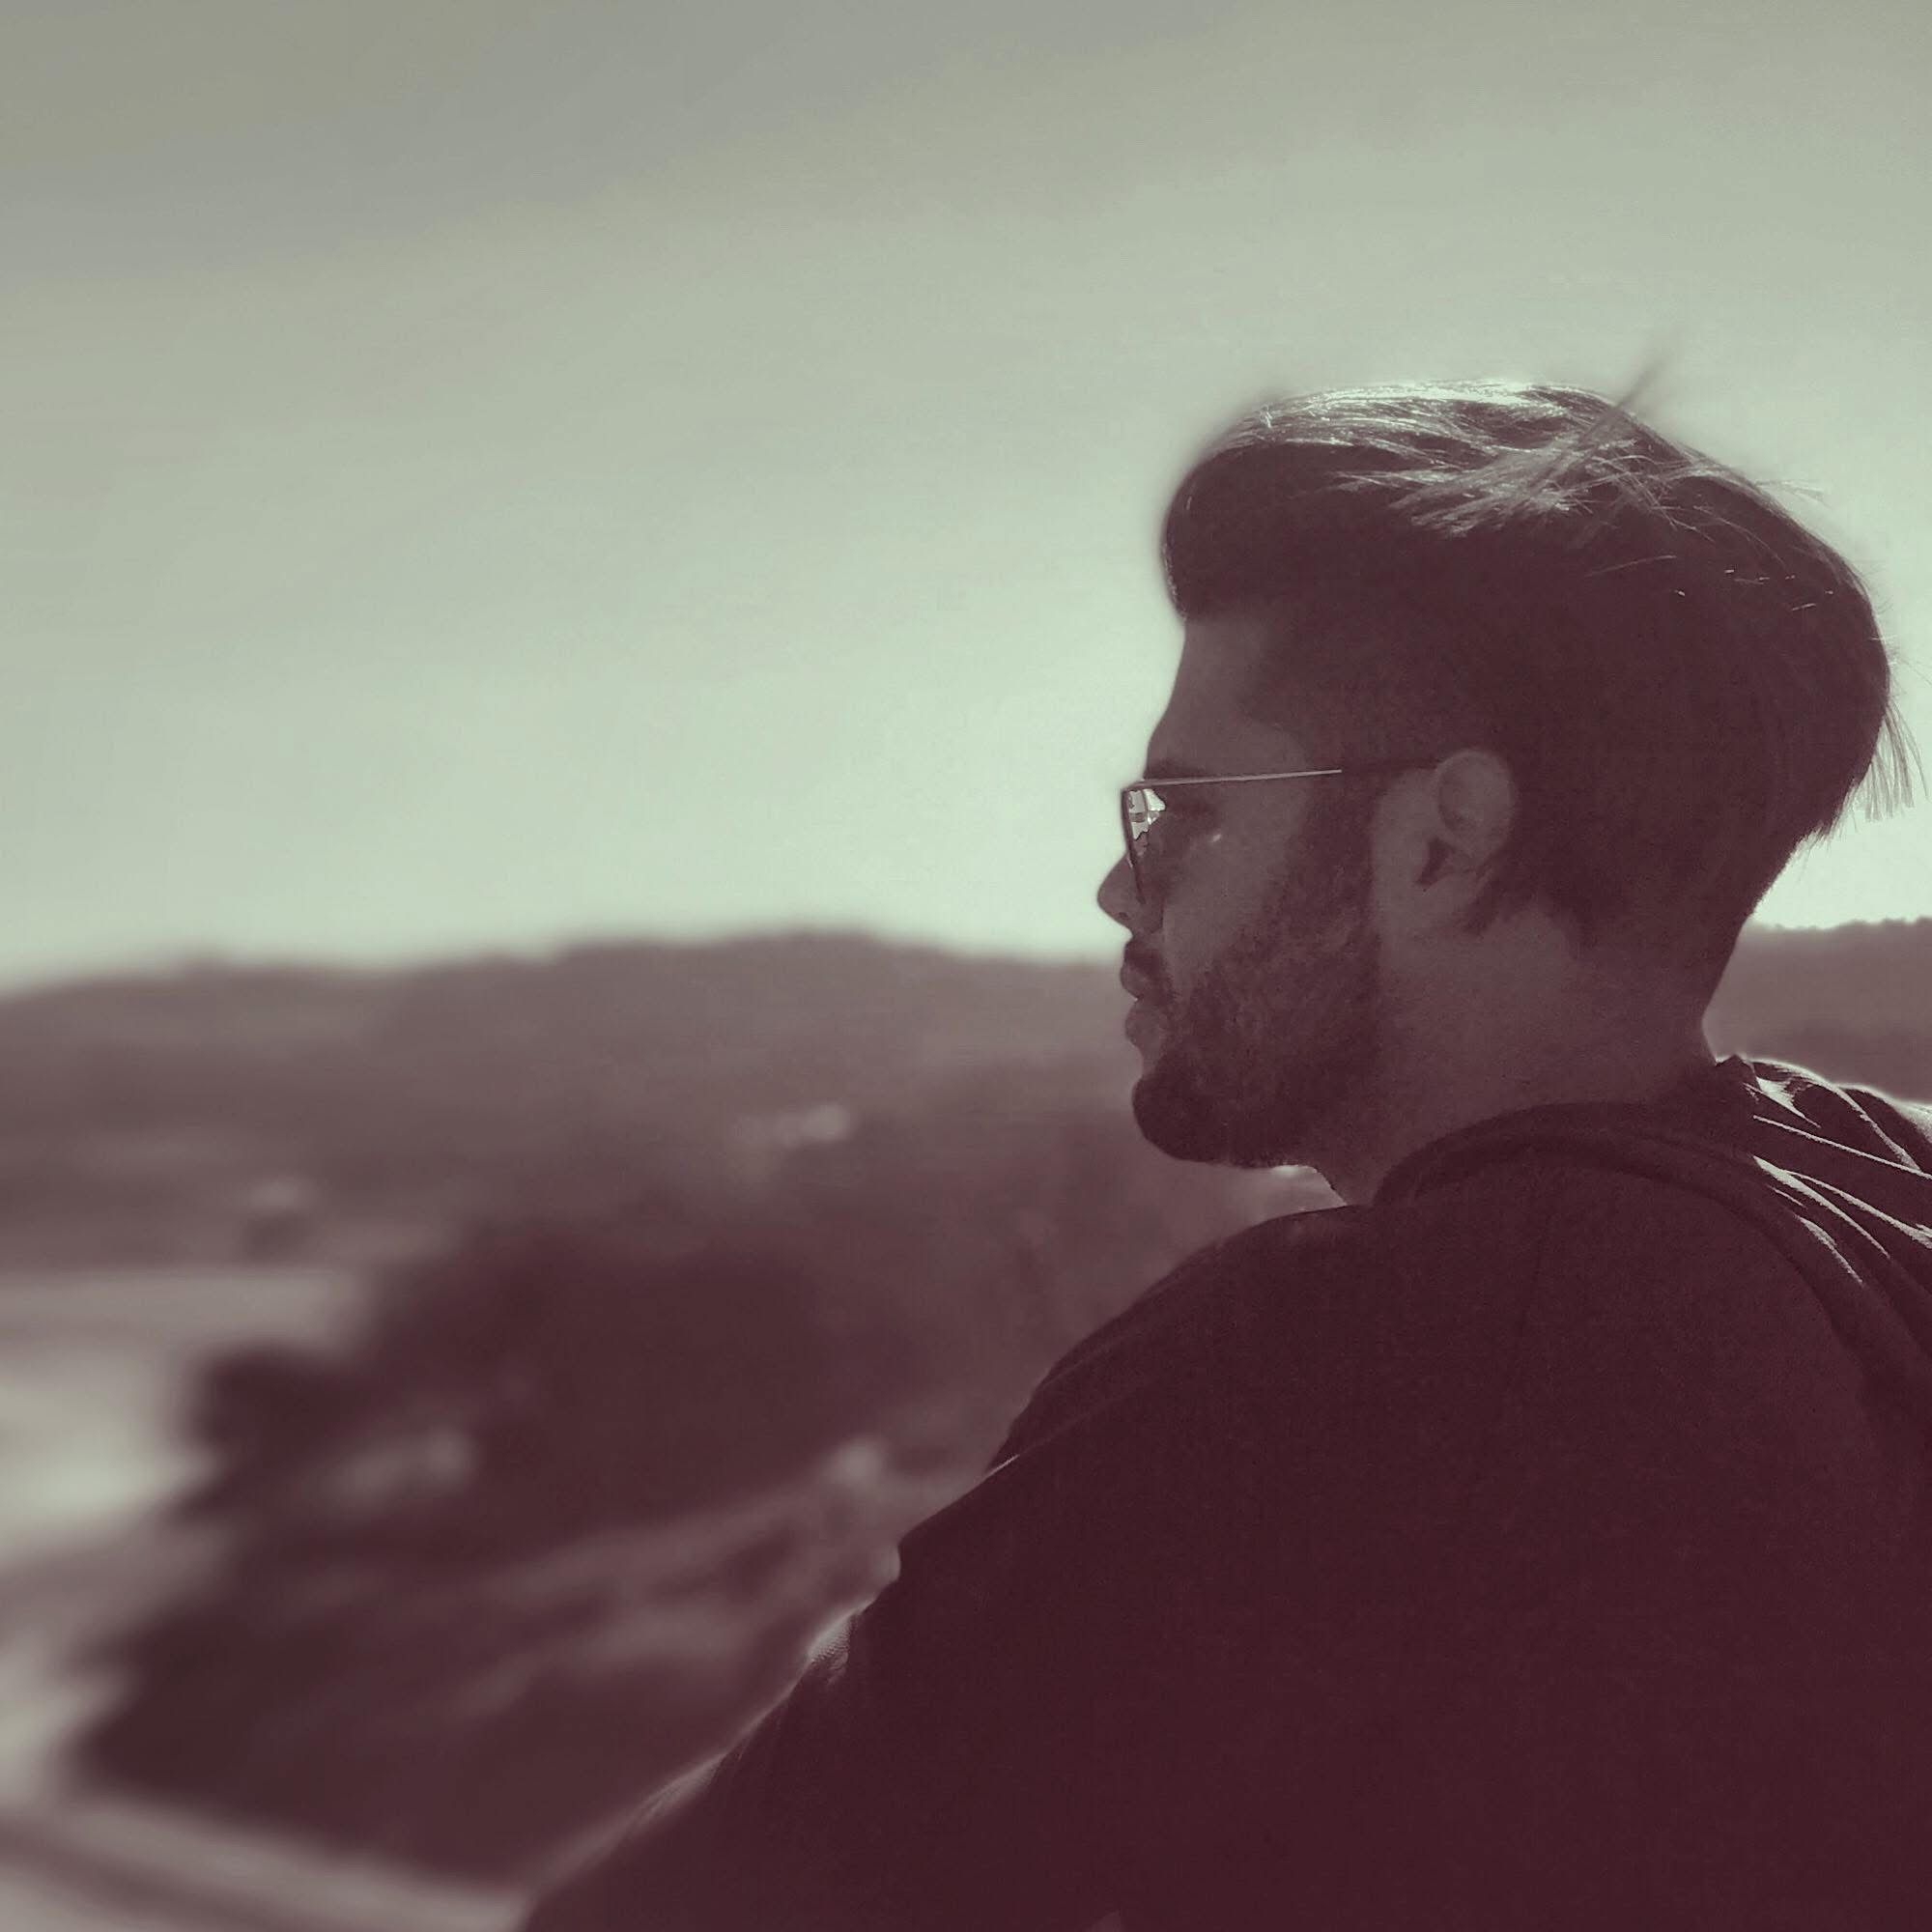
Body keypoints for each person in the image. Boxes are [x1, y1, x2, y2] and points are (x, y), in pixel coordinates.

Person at [520, 381, 1932, 1929]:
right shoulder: (1884, 1196)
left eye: (1186, 811)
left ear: (1444, 838)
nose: (1123, 889)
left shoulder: (1346, 1362)